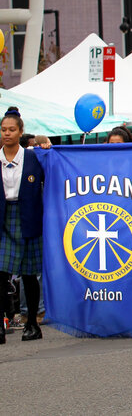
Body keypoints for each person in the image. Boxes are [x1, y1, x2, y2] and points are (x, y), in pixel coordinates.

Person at [0, 108, 44, 342]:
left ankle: (32, 325)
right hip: (3, 219)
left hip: (28, 218)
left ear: (20, 132)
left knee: (29, 275)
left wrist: (47, 149)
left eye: (12, 130)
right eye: (4, 130)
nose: (7, 134)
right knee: (0, 273)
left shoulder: (34, 157)